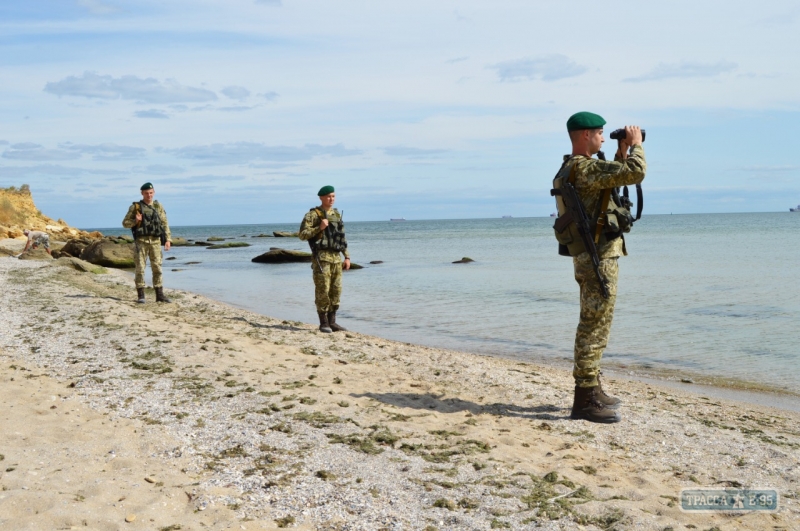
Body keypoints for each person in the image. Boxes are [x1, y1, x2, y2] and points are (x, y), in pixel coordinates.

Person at [551, 112, 646, 423]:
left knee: (593, 323)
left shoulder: (572, 167)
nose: (603, 138)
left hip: (589, 256)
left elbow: (614, 175)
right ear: (584, 136)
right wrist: (636, 146)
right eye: (600, 134)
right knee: (595, 326)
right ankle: (585, 401)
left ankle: (592, 387)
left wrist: (620, 153)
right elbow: (635, 172)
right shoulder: (585, 167)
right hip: (599, 258)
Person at [298, 185, 351, 333]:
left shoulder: (336, 214)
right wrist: (319, 228)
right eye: (328, 196)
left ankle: (333, 322)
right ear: (321, 198)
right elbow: (302, 234)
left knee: (336, 290)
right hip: (321, 258)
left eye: (333, 196)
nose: (331, 199)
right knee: (323, 290)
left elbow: (341, 238)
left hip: (336, 258)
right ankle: (323, 323)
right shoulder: (313, 215)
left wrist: (346, 256)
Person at [122, 182, 172, 304]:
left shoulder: (158, 206)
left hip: (155, 241)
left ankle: (159, 295)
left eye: (150, 193)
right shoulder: (136, 207)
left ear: (153, 193)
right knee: (140, 269)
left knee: (157, 268)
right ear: (142, 193)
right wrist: (135, 220)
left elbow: (164, 224)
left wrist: (168, 240)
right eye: (146, 193)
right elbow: (125, 223)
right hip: (141, 242)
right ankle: (141, 296)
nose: (149, 195)